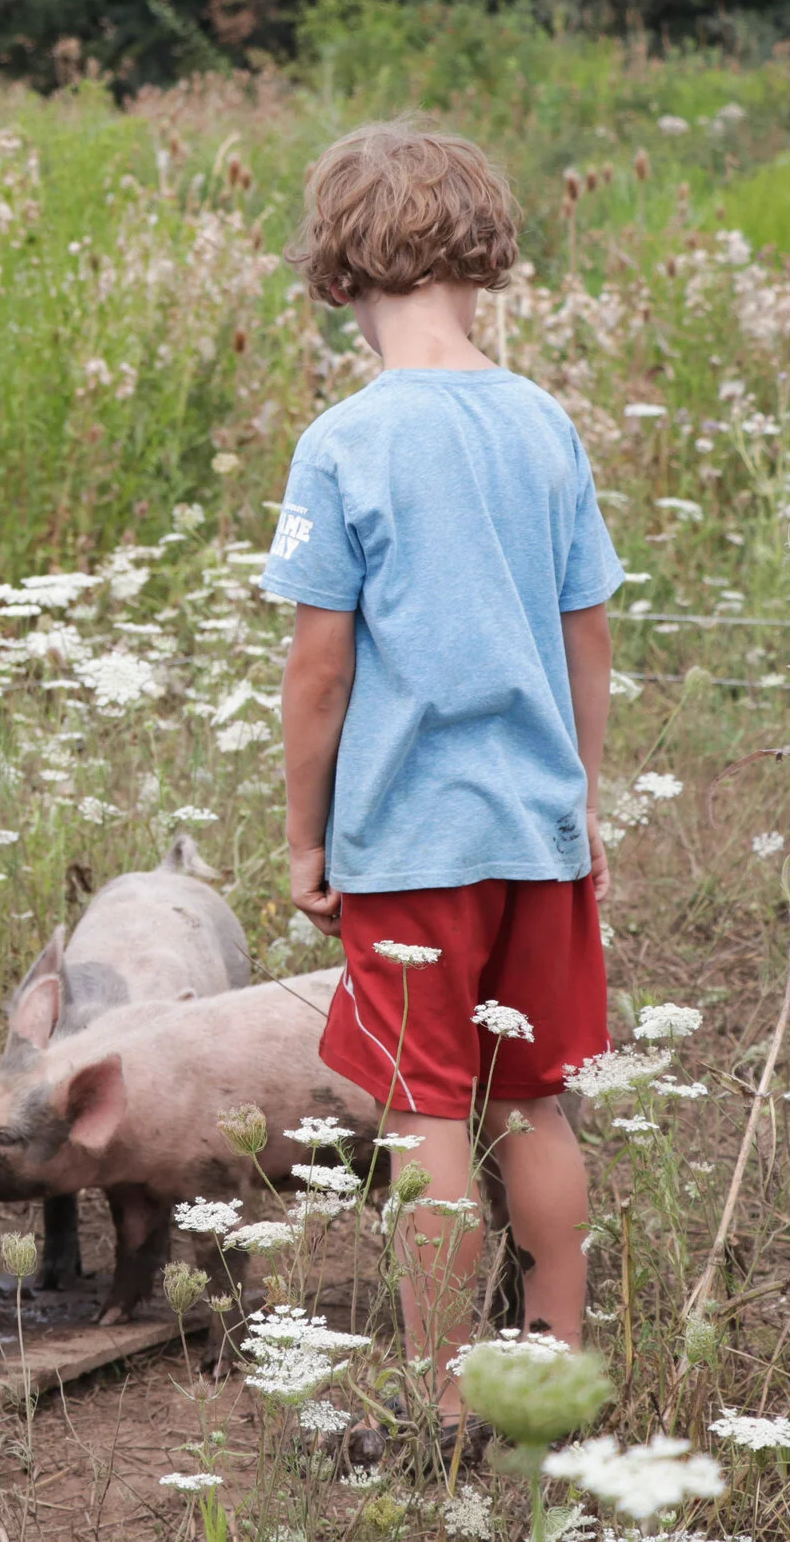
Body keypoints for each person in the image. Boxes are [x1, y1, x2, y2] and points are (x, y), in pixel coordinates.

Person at [262, 120, 621, 1456]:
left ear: (335, 275)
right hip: (538, 829)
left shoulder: (344, 441)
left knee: (425, 1114)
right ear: (487, 258)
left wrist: (306, 837)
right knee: (533, 1100)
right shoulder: (544, 423)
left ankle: (449, 1400)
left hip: (408, 840)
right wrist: (583, 800)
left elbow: (319, 670)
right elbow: (589, 631)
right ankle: (560, 1376)